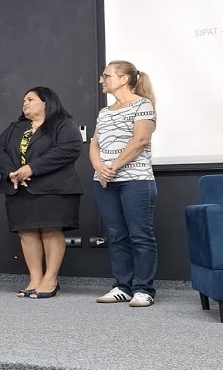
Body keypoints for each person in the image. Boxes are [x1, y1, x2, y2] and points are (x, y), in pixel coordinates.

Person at [0, 87, 83, 299]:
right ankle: (35, 279)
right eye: (24, 100)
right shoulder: (15, 127)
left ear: (46, 102)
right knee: (26, 232)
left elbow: (69, 149)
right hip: (19, 188)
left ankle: (50, 280)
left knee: (51, 231)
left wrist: (32, 168)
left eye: (31, 99)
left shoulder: (63, 124)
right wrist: (11, 173)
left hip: (54, 188)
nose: (25, 103)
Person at [90, 60, 157, 307]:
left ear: (124, 79)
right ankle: (122, 286)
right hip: (104, 182)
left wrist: (113, 167)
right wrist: (99, 167)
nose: (101, 80)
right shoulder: (104, 112)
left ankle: (144, 289)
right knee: (116, 235)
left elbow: (140, 141)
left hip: (136, 181)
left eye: (106, 75)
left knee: (140, 235)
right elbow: (94, 144)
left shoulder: (143, 105)